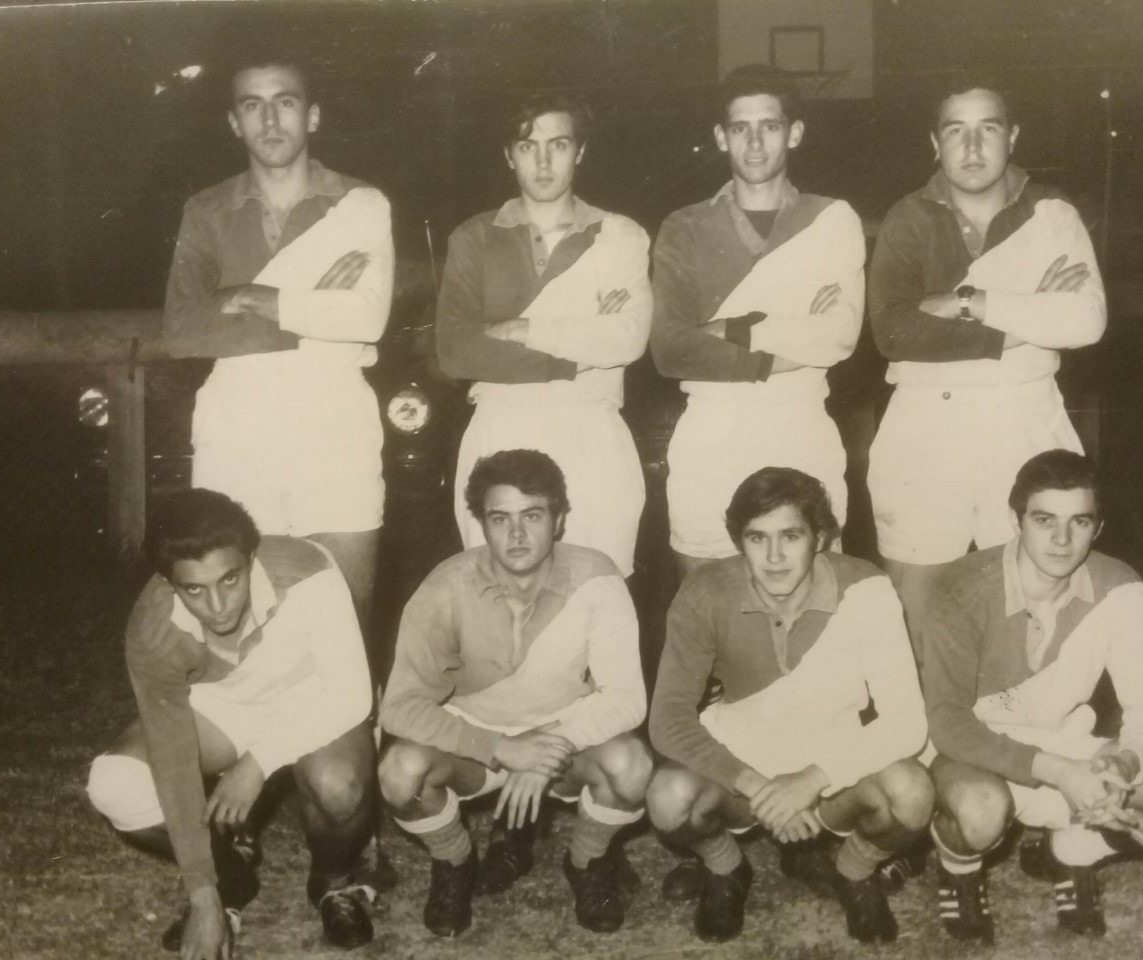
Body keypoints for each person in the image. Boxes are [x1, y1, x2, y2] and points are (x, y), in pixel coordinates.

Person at [922, 450, 1143, 943]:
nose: (1062, 540)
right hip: (973, 748)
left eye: (1079, 521)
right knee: (980, 811)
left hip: (1063, 740)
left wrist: (1123, 765)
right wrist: (1061, 773)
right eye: (1045, 520)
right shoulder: (960, 588)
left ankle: (1074, 851)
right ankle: (959, 867)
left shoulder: (1121, 590)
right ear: (1015, 519)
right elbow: (950, 724)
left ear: (1097, 527)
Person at [867, 79, 1106, 654]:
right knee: (919, 609)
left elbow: (1084, 322)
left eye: (988, 128)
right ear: (935, 142)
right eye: (956, 130)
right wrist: (1029, 310)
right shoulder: (907, 215)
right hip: (924, 425)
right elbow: (893, 331)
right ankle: (926, 741)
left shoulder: (1053, 214)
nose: (972, 147)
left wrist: (970, 302)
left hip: (1023, 419)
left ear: (1013, 136)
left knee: (1036, 600)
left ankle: (1028, 736)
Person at [86, 489, 379, 958]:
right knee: (115, 784)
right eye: (194, 590)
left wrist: (257, 763)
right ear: (169, 583)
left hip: (309, 701)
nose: (218, 605)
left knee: (339, 783)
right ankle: (230, 881)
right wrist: (204, 898)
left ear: (251, 556)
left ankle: (336, 880)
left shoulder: (309, 570)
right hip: (223, 711)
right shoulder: (152, 625)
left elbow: (351, 696)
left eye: (230, 579)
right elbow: (172, 756)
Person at [646, 467, 932, 945]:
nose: (774, 556)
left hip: (832, 769)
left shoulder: (866, 588)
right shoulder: (704, 591)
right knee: (667, 798)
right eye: (757, 538)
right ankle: (726, 868)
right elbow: (667, 719)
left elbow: (906, 723)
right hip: (743, 767)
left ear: (819, 538)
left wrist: (812, 780)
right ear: (740, 542)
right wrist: (758, 786)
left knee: (912, 791)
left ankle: (854, 870)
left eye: (790, 536)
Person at [164, 49, 394, 637]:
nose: (271, 121)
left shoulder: (359, 203)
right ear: (234, 122)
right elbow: (184, 329)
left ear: (312, 116)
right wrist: (313, 307)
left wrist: (253, 297)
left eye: (285, 102)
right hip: (237, 419)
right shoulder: (206, 210)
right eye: (253, 105)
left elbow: (366, 318)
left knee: (344, 617)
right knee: (245, 617)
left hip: (334, 411)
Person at [376, 449, 651, 937]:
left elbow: (628, 698)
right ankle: (456, 862)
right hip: (476, 746)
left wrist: (549, 748)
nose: (517, 535)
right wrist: (501, 748)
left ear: (560, 519)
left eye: (533, 516)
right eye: (500, 518)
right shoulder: (445, 586)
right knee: (400, 774)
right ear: (482, 524)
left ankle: (588, 862)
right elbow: (399, 707)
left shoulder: (597, 576)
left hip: (564, 739)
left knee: (632, 767)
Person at [651, 64, 865, 578]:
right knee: (707, 607)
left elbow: (837, 337)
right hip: (712, 431)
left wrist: (727, 328)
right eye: (740, 127)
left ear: (794, 133)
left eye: (769, 126)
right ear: (720, 137)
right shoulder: (685, 227)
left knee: (815, 604)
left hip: (801, 426)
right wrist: (794, 333)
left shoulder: (832, 218)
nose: (754, 142)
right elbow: (671, 350)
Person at [436, 92, 650, 578]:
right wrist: (587, 339)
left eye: (558, 144)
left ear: (580, 151)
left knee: (595, 604)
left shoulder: (621, 235)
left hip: (592, 434)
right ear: (508, 154)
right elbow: (455, 350)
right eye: (528, 146)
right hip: (498, 430)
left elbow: (629, 338)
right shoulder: (472, 237)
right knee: (498, 608)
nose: (544, 160)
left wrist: (522, 329)